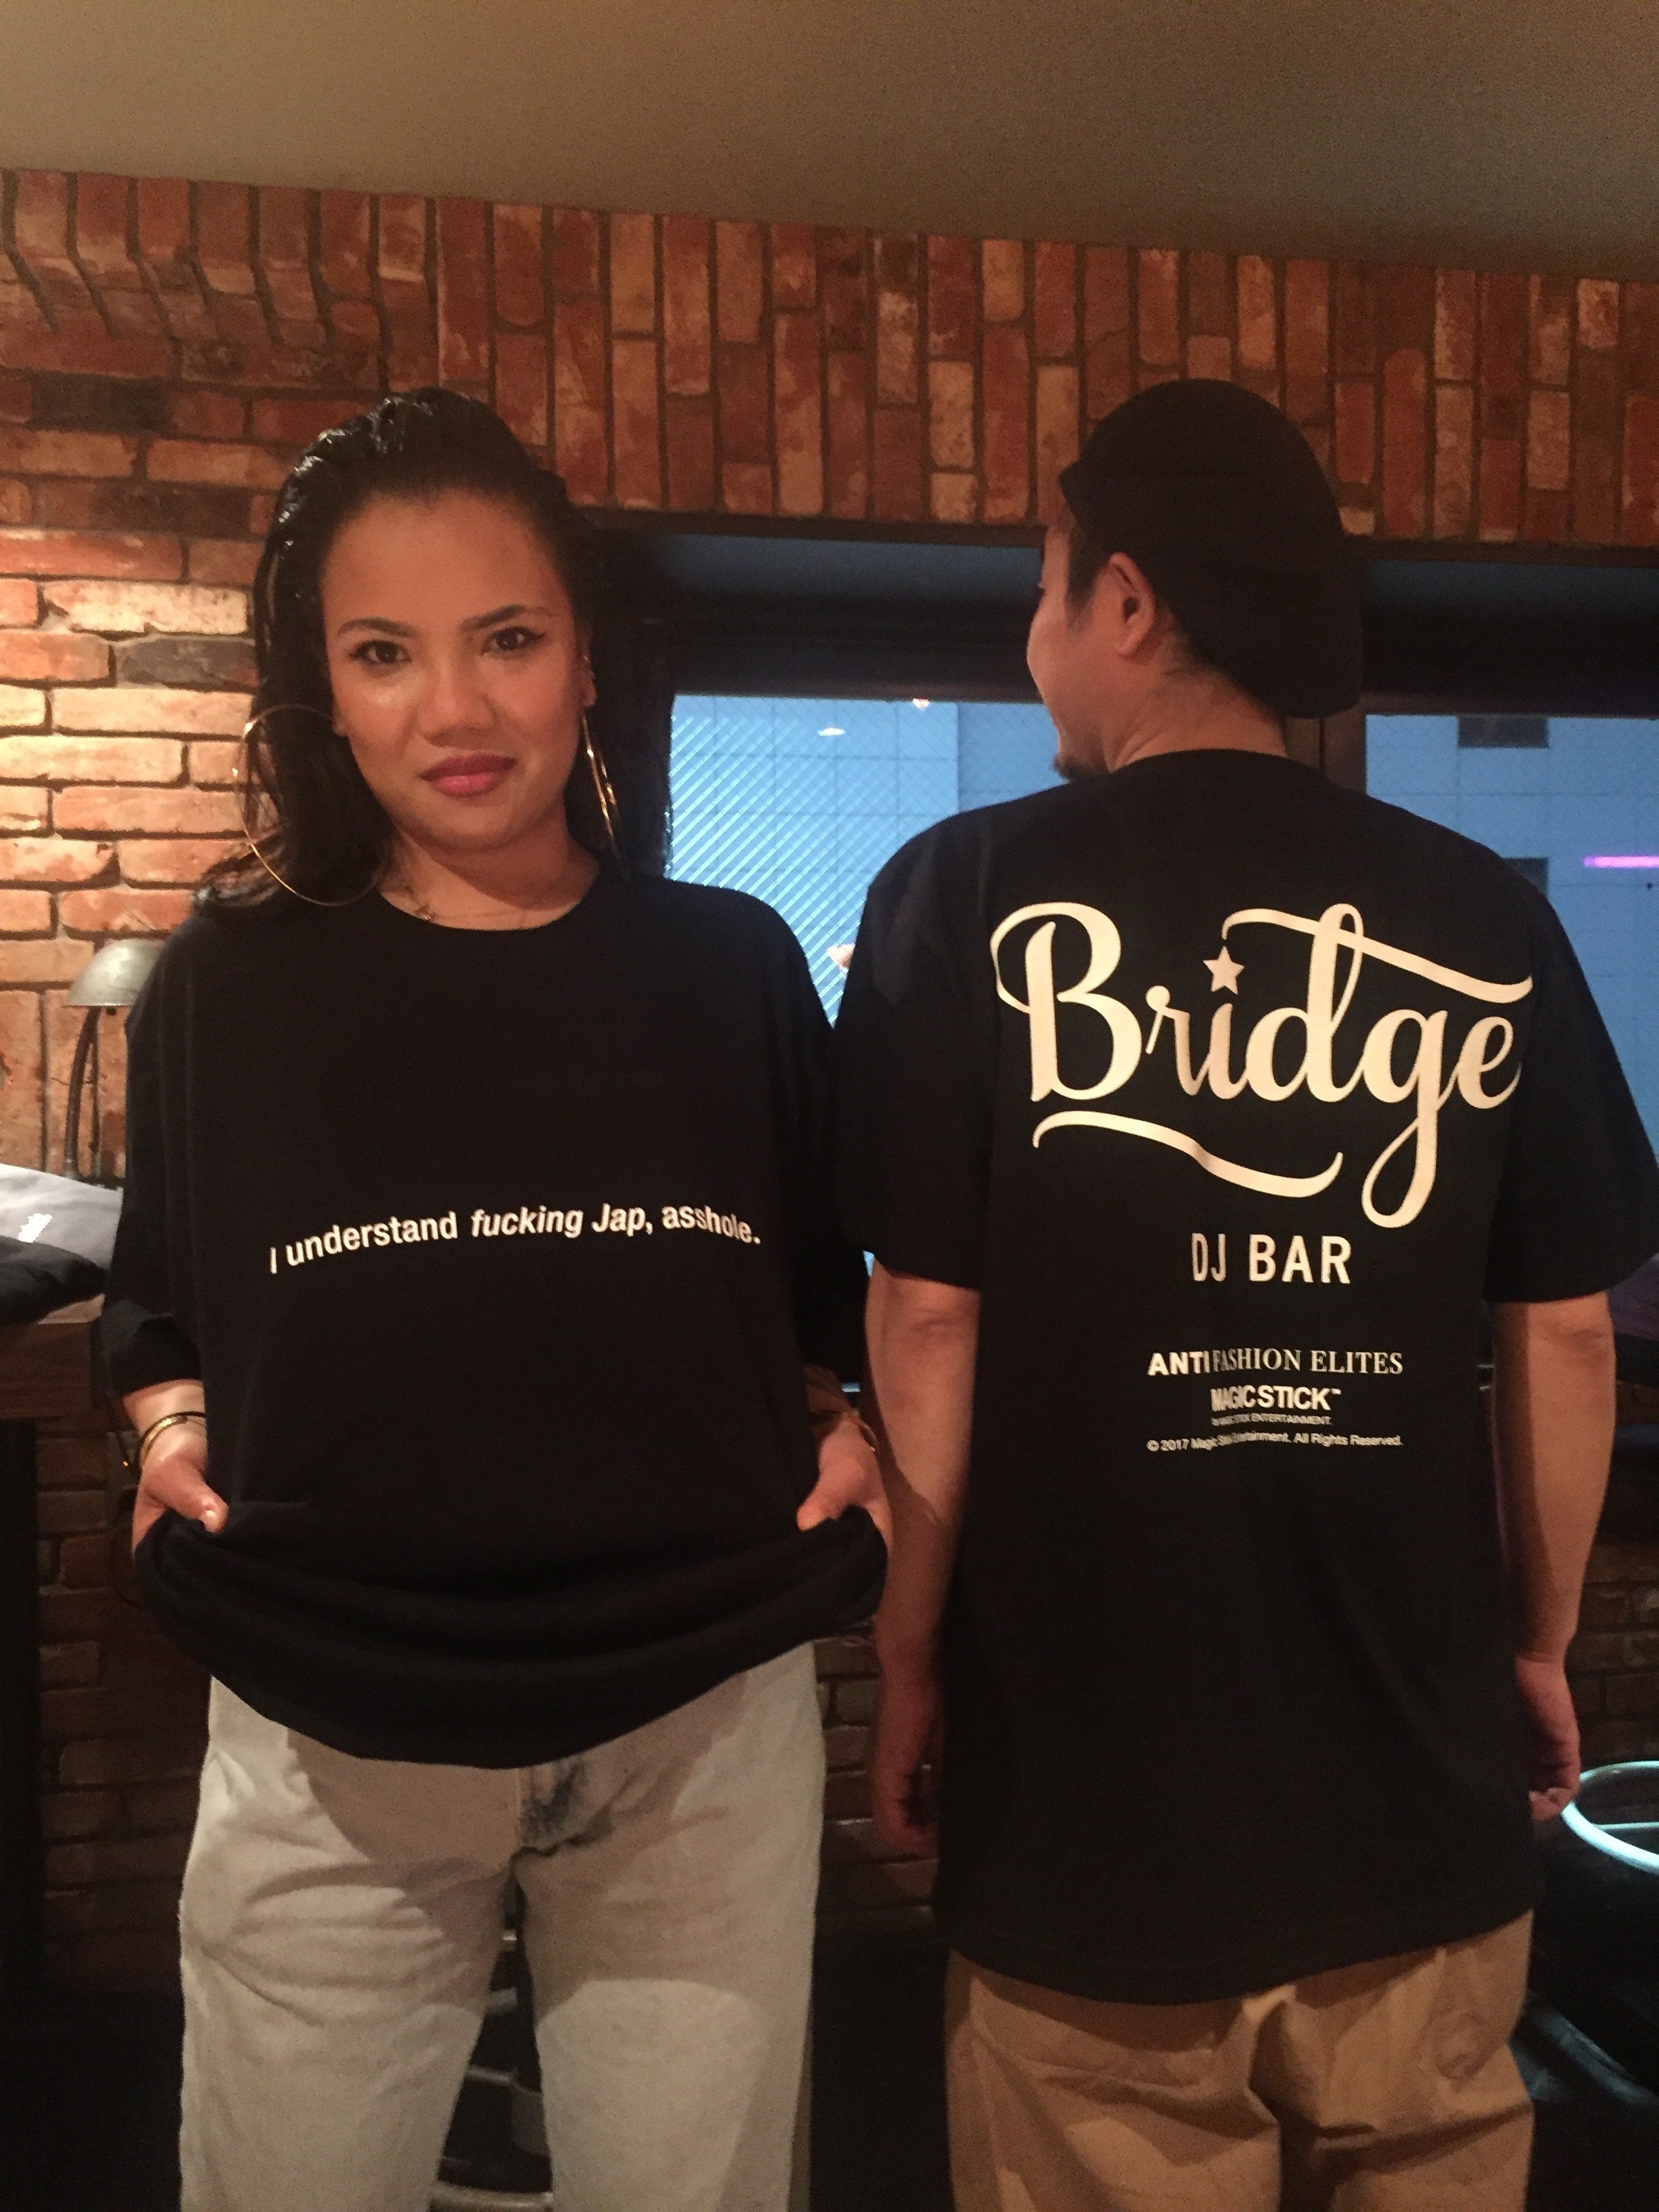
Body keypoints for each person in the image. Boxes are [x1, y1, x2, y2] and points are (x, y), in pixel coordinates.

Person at [835, 378, 1659, 2212]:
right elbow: (1561, 1328)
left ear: (1125, 600)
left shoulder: (964, 889)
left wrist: (910, 1656)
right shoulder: (1484, 914)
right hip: (1415, 1796)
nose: (1031, 638)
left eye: (1044, 586)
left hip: (1089, 1816)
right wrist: (1532, 1645)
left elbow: (931, 1321)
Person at [104, 388, 887, 2212]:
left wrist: (844, 1418)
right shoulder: (227, 982)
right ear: (323, 685)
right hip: (331, 1717)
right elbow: (163, 1297)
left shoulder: (730, 965)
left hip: (698, 1715)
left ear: (584, 658)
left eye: (507, 639)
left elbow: (809, 1298)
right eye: (384, 653)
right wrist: (168, 1428)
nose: (452, 711)